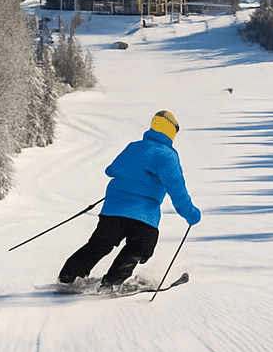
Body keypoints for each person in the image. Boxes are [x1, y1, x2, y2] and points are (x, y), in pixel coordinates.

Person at [58, 110, 201, 289]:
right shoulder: (167, 156)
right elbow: (177, 190)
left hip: (112, 211)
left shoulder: (133, 147)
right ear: (171, 132)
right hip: (143, 216)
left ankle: (68, 275)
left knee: (99, 244)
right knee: (141, 246)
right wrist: (191, 214)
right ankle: (112, 282)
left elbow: (110, 170)